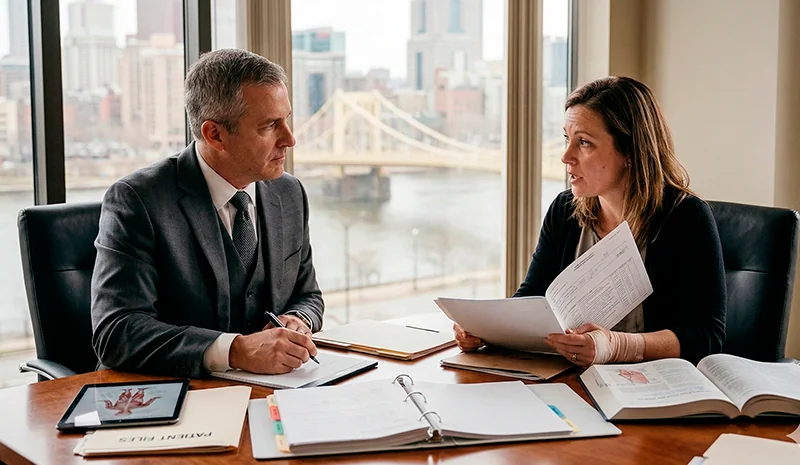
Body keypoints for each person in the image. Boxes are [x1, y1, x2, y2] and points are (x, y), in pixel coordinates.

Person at [453, 76, 726, 367]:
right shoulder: (564, 211)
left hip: (649, 381)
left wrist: (616, 345)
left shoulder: (686, 217)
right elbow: (532, 298)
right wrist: (487, 329)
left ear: (630, 152)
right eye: (566, 140)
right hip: (569, 376)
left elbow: (707, 335)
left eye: (584, 142)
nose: (566, 156)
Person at [91, 49, 322, 378]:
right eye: (270, 125)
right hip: (175, 394)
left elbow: (308, 294)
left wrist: (299, 319)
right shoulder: (137, 200)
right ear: (215, 134)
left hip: (275, 391)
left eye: (287, 119)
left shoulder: (290, 193)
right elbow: (117, 332)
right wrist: (236, 351)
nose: (290, 138)